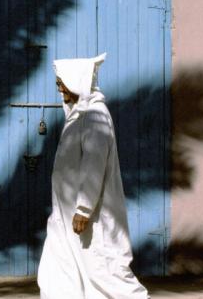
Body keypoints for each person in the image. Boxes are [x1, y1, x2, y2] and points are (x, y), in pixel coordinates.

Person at [37, 53, 149, 299]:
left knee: (103, 271)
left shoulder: (95, 115)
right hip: (65, 214)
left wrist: (84, 208)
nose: (59, 89)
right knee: (61, 267)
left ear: (76, 80)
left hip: (88, 216)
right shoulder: (81, 114)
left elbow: (93, 165)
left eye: (61, 83)